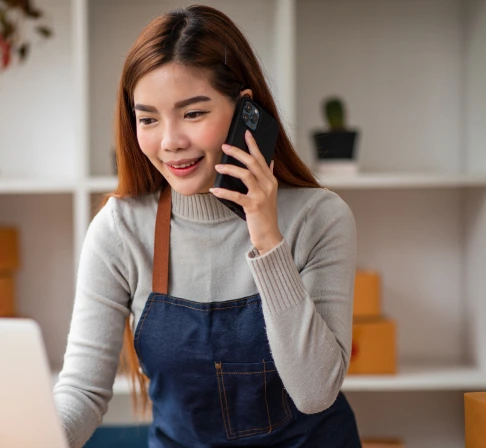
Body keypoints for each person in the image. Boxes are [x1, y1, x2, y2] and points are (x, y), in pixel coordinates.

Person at [52, 5, 360, 447]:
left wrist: (266, 236)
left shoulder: (320, 218)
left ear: (244, 111)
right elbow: (82, 391)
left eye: (193, 113)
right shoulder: (119, 231)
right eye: (148, 119)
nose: (170, 141)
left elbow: (315, 393)